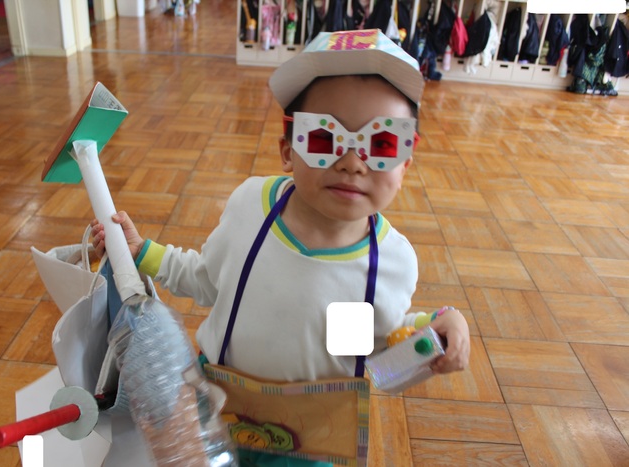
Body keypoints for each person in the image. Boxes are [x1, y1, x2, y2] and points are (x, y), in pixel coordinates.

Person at [92, 29, 470, 465]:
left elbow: (370, 341)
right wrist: (142, 251)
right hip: (216, 414)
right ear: (288, 150)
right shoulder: (249, 208)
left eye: (381, 143)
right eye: (325, 138)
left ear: (405, 164)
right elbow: (208, 280)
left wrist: (435, 327)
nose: (352, 162)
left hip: (311, 443)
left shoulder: (390, 263)